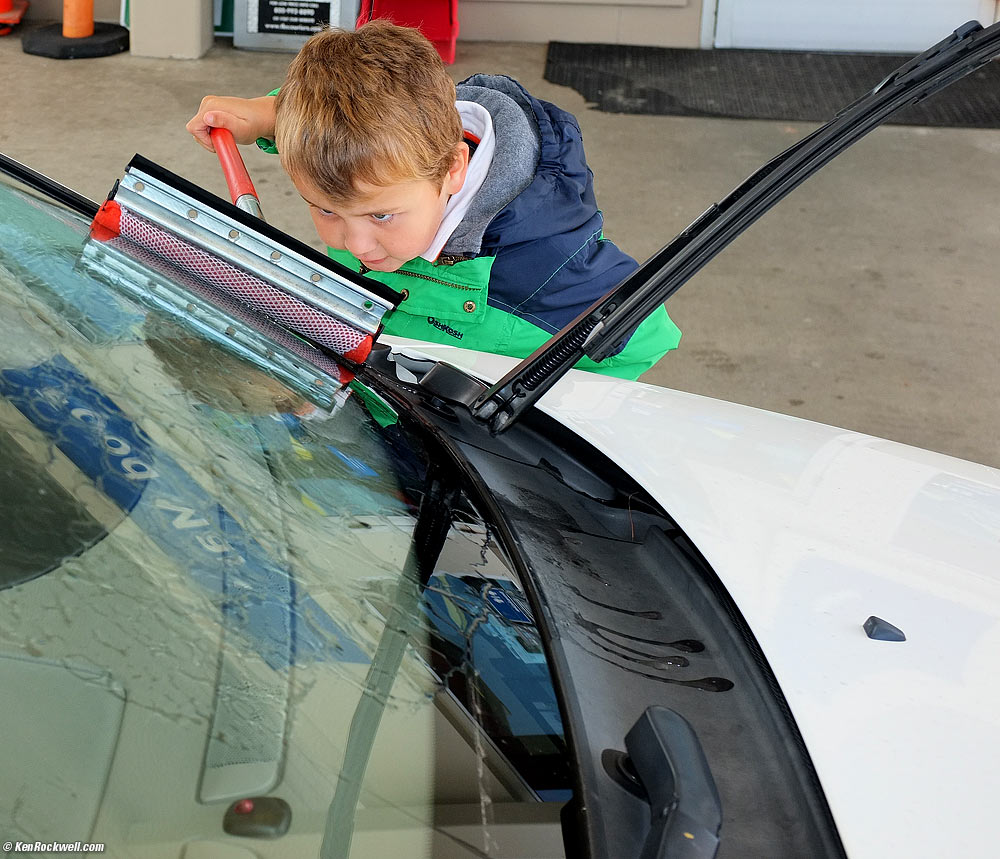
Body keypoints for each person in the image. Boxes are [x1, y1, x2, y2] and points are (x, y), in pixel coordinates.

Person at [186, 20, 681, 380]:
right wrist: (274, 113)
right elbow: (354, 105)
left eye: (382, 215)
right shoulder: (400, 152)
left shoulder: (546, 269)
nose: (357, 244)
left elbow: (645, 338)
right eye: (325, 210)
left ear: (452, 169)